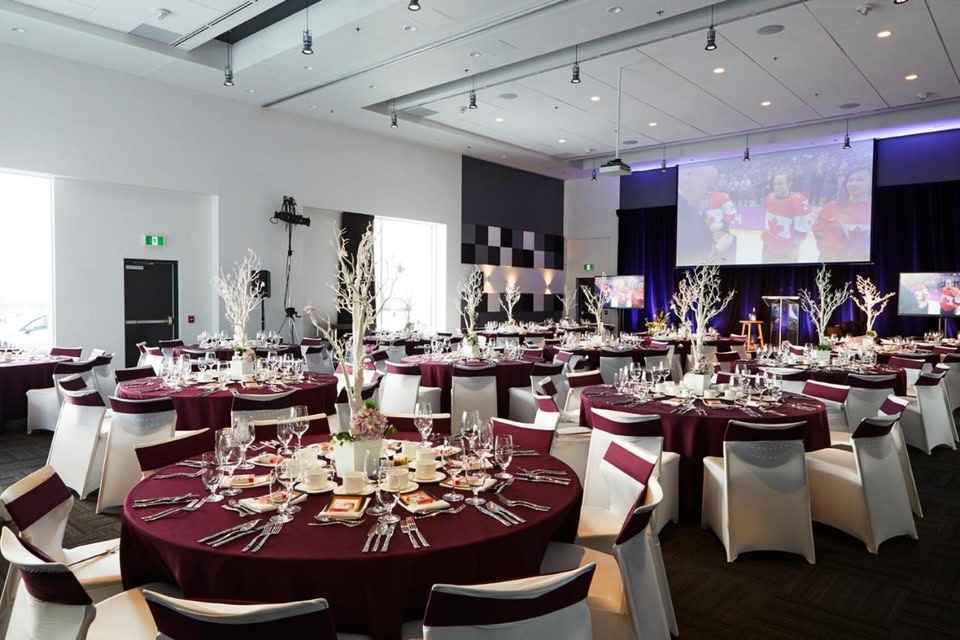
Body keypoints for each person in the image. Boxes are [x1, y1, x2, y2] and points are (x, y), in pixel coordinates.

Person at [812, 165, 872, 262]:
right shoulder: (833, 206)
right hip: (831, 262)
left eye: (860, 179)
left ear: (870, 183)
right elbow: (817, 229)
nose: (853, 183)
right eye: (850, 180)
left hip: (863, 265)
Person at [760, 172, 812, 264]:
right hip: (768, 247)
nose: (777, 187)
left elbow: (802, 230)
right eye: (775, 184)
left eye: (780, 184)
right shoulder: (769, 198)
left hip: (787, 251)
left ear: (789, 184)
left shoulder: (797, 201)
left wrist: (795, 248)